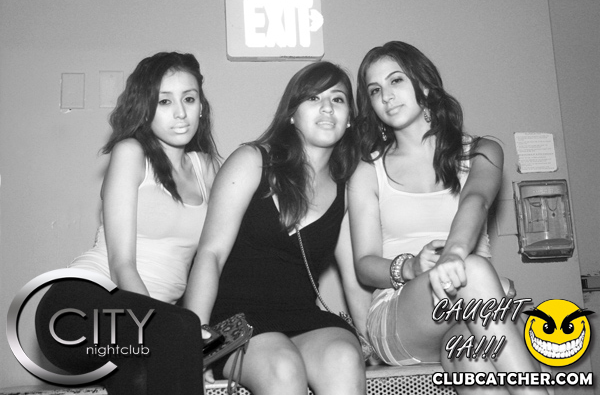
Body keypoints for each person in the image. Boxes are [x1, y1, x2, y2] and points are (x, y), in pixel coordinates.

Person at [349, 41, 547, 395]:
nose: (386, 96)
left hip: (472, 312)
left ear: (425, 84)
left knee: (470, 357)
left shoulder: (482, 151)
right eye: (375, 90)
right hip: (401, 319)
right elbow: (364, 265)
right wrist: (411, 267)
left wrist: (453, 255)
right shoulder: (368, 170)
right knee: (474, 271)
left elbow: (476, 200)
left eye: (396, 81)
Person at [35, 52, 219, 395]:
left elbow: (215, 258)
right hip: (79, 307)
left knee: (142, 373)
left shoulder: (207, 169)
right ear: (145, 108)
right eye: (164, 101)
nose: (180, 113)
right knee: (180, 328)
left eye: (189, 99)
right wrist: (172, 332)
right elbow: (122, 265)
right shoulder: (131, 153)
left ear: (201, 107)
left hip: (145, 329)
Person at [184, 61, 369, 395]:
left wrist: (373, 342)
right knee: (283, 367)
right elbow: (210, 254)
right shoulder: (252, 161)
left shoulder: (347, 185)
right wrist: (194, 345)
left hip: (301, 317)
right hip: (234, 320)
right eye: (313, 98)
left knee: (344, 357)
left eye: (338, 99)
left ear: (350, 118)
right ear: (292, 114)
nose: (327, 107)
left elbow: (353, 277)